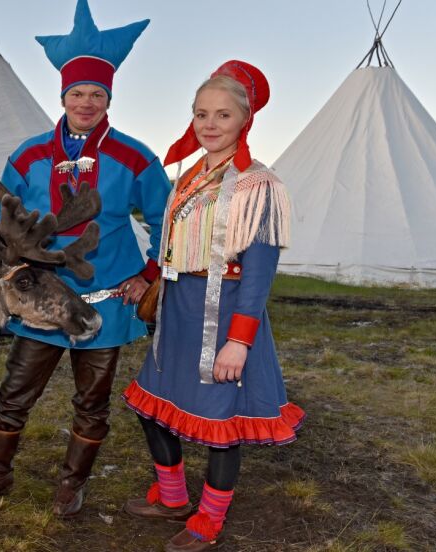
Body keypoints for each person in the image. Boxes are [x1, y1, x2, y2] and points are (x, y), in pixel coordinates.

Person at [0, 0, 171, 518]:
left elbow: (168, 223)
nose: (86, 102)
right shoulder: (30, 155)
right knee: (16, 391)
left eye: (96, 94)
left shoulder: (135, 157)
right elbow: (1, 215)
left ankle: (70, 483)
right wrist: (10, 266)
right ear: (64, 96)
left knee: (92, 400)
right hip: (41, 301)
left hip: (106, 300)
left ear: (108, 98)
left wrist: (147, 276)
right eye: (77, 93)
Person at [121, 61, 304, 551]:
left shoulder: (258, 185)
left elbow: (261, 272)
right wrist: (148, 281)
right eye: (201, 113)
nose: (209, 124)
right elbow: (174, 245)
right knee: (151, 406)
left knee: (221, 425)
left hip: (223, 313)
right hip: (178, 309)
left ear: (244, 120)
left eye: (222, 115)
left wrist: (238, 342)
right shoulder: (189, 177)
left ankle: (209, 519)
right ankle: (174, 496)